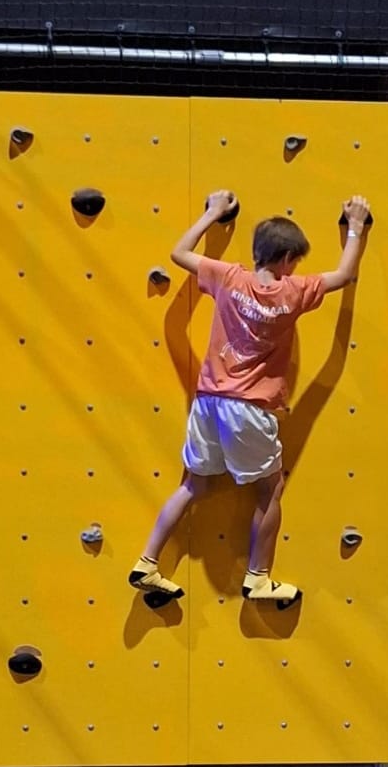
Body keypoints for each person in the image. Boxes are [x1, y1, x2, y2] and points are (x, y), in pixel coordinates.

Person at [129, 189, 372, 608]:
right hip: (249, 409)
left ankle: (147, 561)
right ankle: (258, 577)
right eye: (295, 261)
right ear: (286, 259)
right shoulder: (292, 292)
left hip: (208, 401)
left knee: (192, 484)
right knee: (270, 489)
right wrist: (354, 226)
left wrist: (213, 213)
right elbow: (345, 274)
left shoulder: (228, 277)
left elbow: (179, 253)